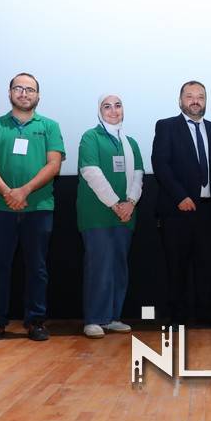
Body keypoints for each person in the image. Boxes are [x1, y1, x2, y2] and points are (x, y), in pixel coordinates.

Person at [0, 72, 65, 342]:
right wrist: (8, 193)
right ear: (10, 93)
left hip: (38, 207)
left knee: (37, 267)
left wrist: (24, 191)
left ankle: (36, 320)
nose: (24, 93)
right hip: (0, 207)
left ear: (38, 96)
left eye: (30, 89)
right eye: (18, 88)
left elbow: (54, 164)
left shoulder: (49, 126)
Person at [151, 80, 211, 326]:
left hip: (209, 210)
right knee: (177, 266)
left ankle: (206, 313)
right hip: (177, 210)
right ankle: (177, 316)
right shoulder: (166, 126)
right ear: (180, 101)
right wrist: (180, 197)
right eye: (190, 96)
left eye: (200, 96)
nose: (195, 101)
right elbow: (161, 165)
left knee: (207, 265)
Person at [78, 94, 144, 338]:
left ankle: (112, 317)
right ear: (99, 111)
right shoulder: (90, 137)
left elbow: (138, 175)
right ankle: (94, 319)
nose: (113, 110)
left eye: (118, 106)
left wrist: (131, 203)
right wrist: (116, 204)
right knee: (100, 267)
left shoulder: (131, 142)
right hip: (97, 215)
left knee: (118, 267)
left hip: (125, 215)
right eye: (107, 106)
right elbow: (91, 172)